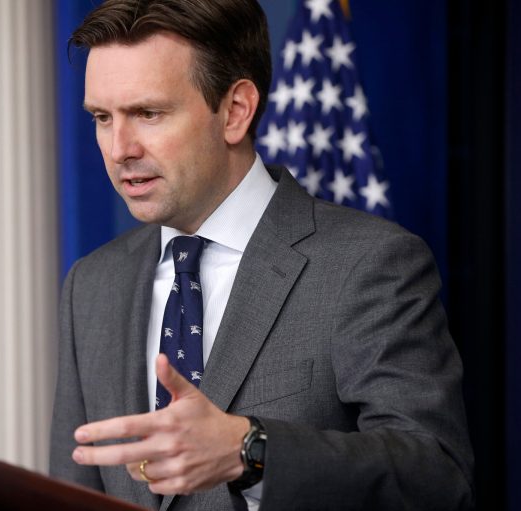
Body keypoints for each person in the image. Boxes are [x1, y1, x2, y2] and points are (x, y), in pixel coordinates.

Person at [49, 1, 475, 509]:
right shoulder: (91, 285)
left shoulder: (369, 265)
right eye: (102, 117)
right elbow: (71, 492)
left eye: (148, 113)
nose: (119, 148)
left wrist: (248, 450)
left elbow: (437, 478)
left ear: (235, 111)